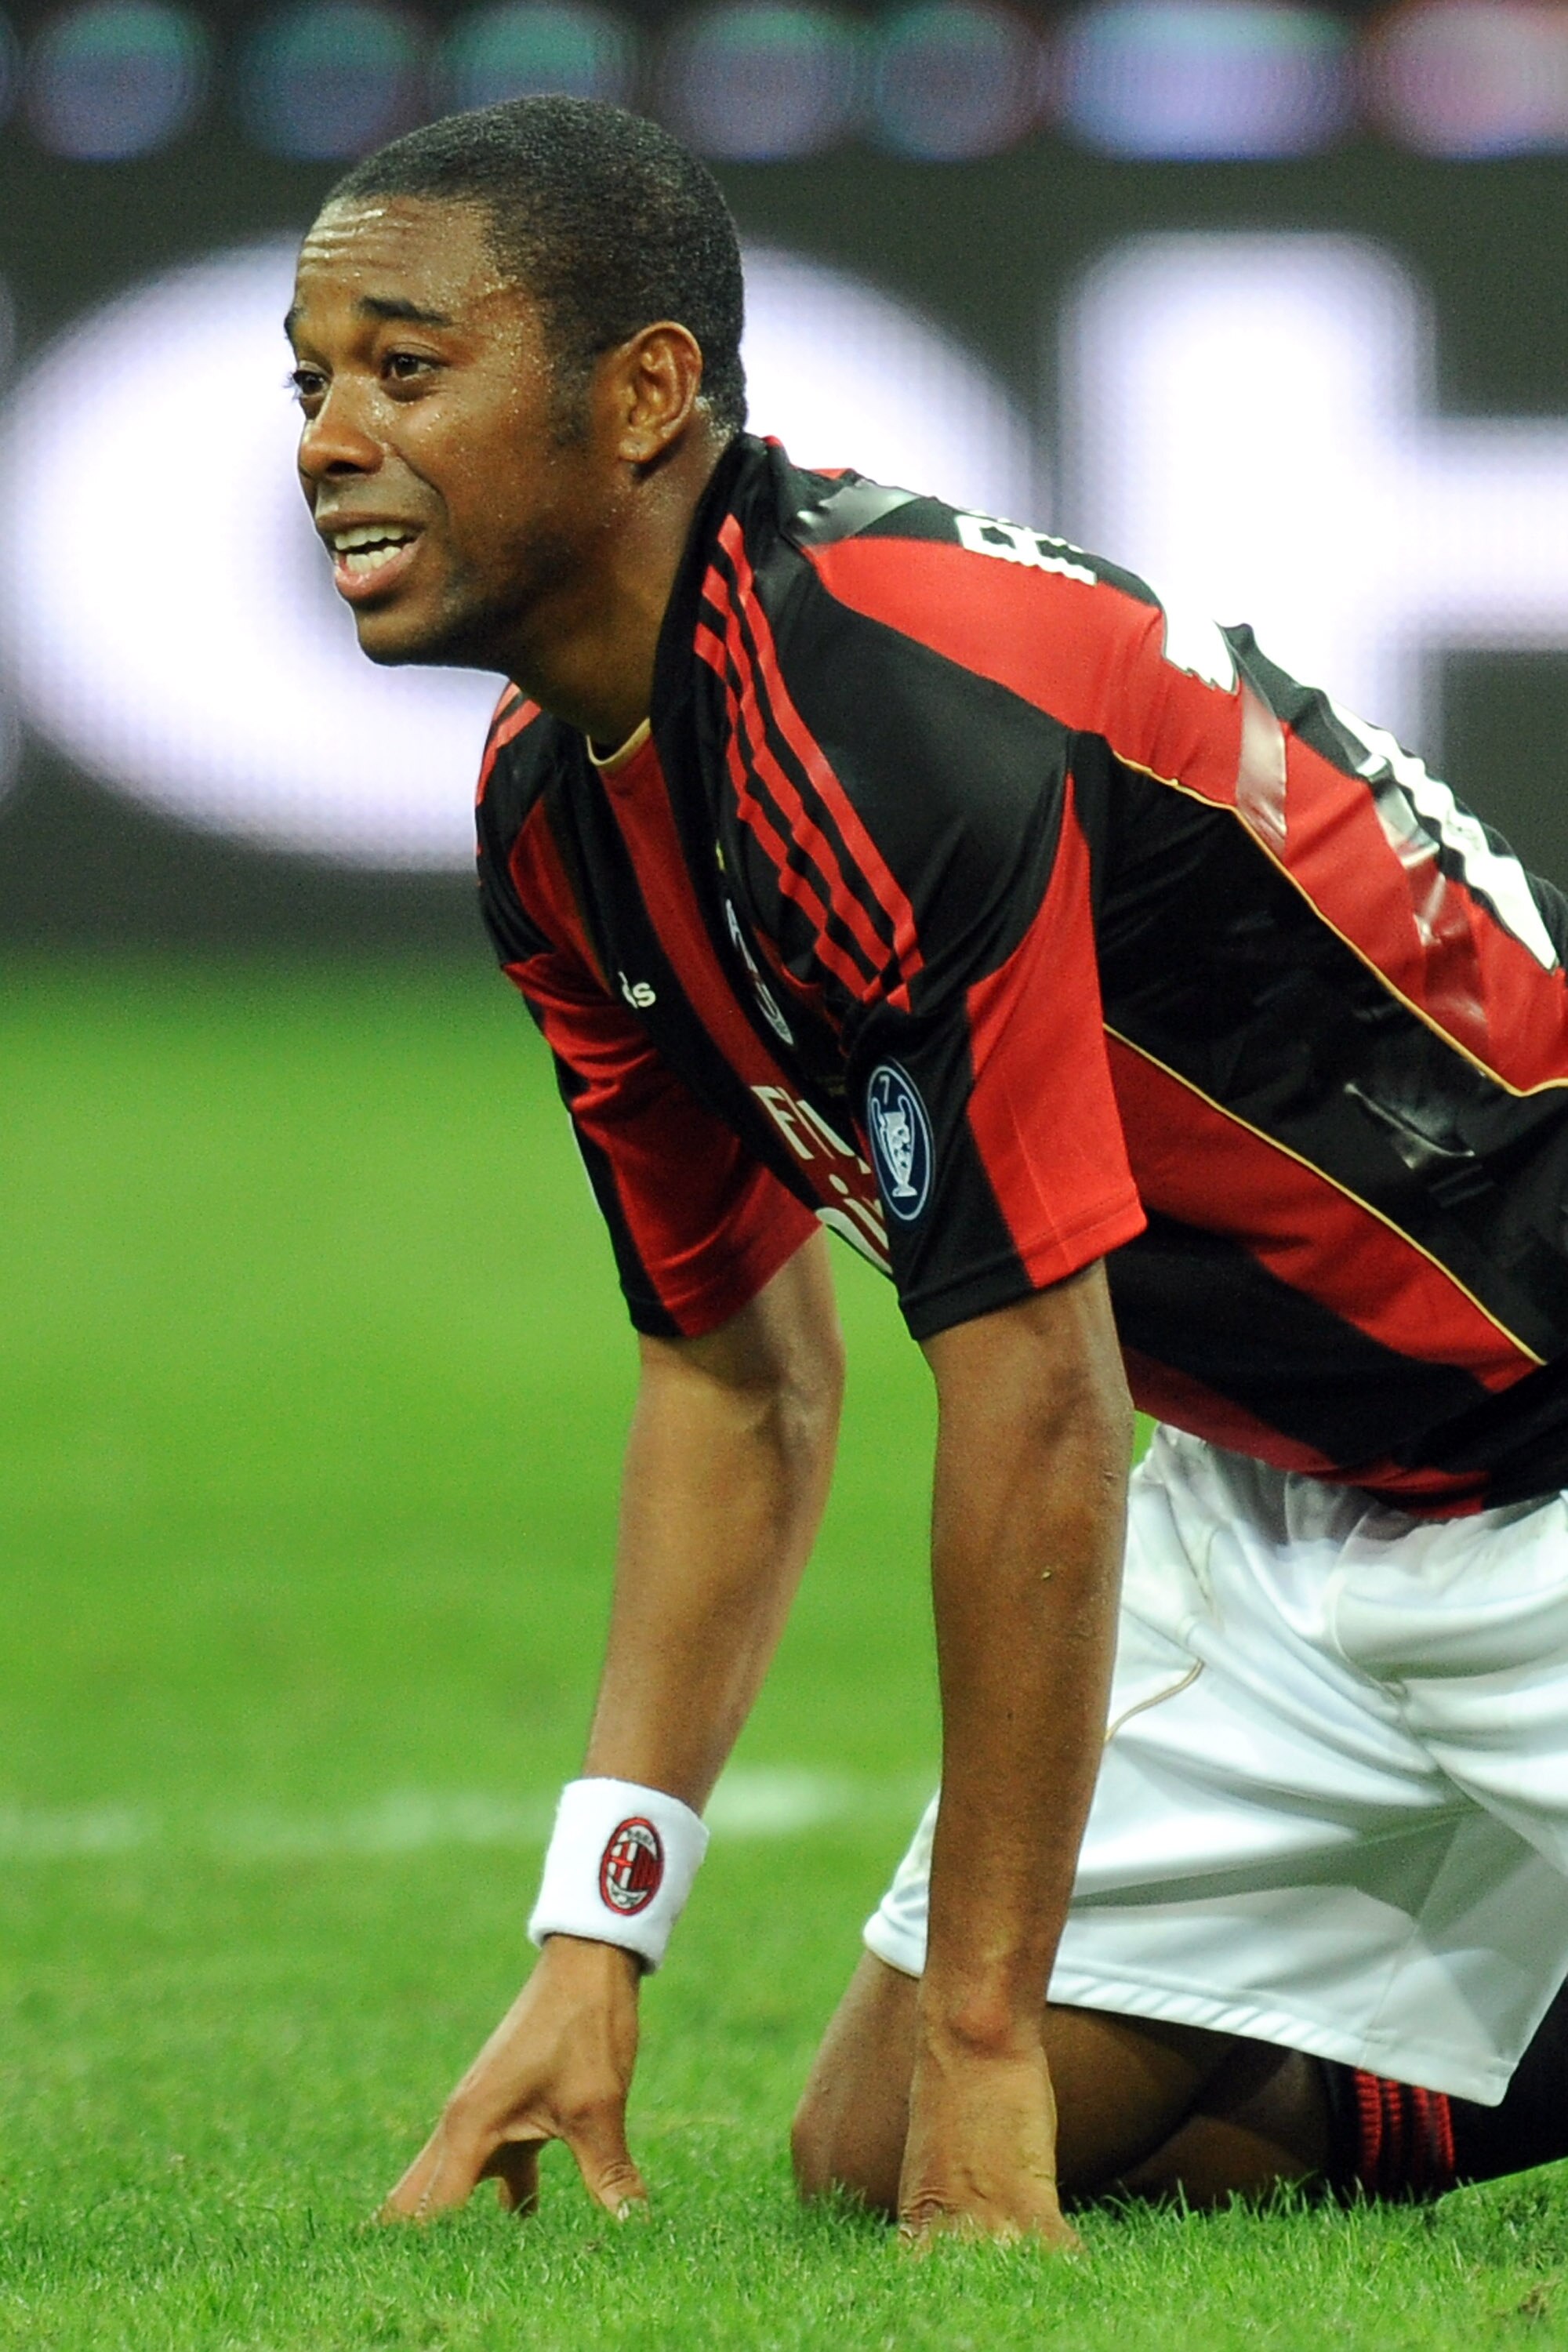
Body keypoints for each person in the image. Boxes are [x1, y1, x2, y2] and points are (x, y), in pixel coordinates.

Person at [284, 94, 1568, 2244]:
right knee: (867, 2157)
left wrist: (990, 2037)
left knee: (972, 2101)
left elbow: (1040, 1393)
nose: (333, 440)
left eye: (407, 370)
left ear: (646, 394)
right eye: (313, 382)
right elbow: (736, 1379)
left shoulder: (882, 716)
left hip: (1544, 1445)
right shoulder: (558, 815)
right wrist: (597, 1939)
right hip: (1287, 1489)